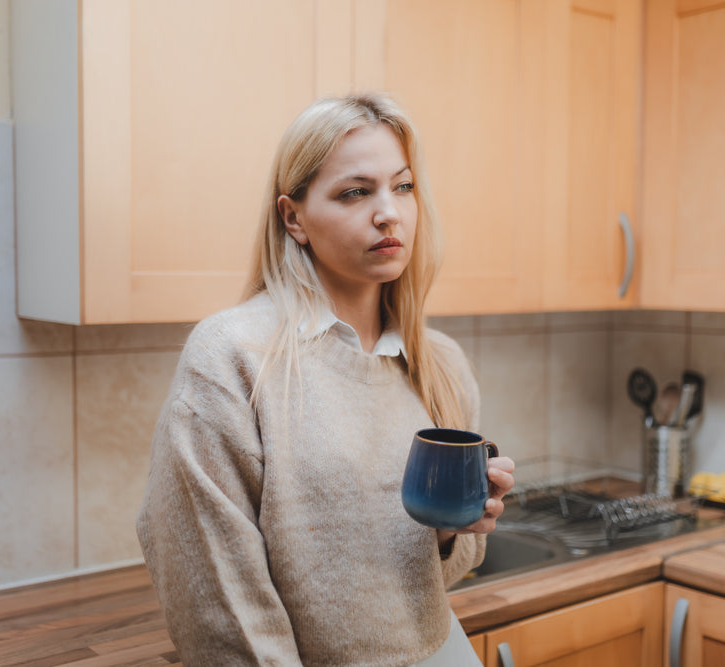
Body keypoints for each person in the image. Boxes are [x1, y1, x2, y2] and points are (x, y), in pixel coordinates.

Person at [136, 92, 516, 666]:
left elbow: (444, 574)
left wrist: (455, 531)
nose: (388, 212)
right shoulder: (232, 357)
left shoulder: (441, 365)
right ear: (294, 218)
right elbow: (215, 598)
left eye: (404, 187)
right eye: (355, 192)